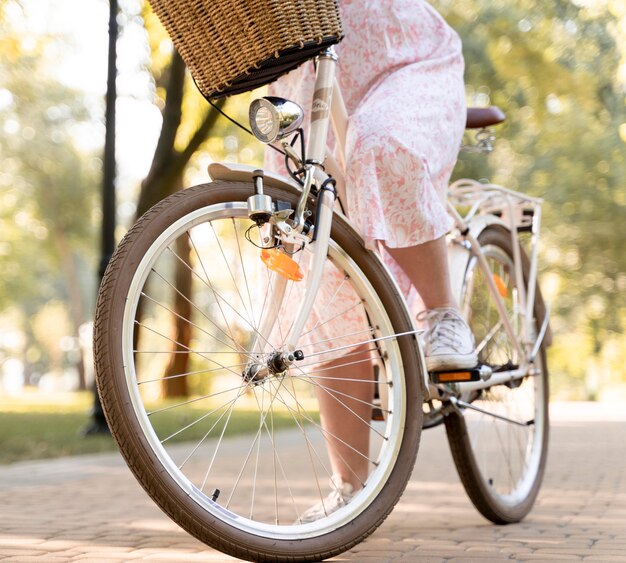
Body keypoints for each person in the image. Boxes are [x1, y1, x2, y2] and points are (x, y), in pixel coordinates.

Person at [269, 0, 477, 522]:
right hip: (304, 78)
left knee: (379, 143)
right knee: (309, 237)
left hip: (405, 62)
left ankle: (442, 314)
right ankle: (350, 487)